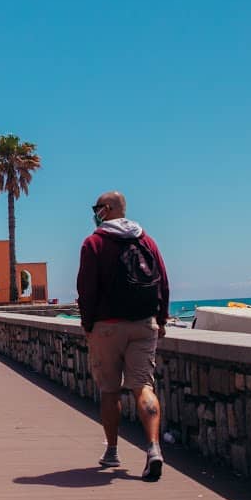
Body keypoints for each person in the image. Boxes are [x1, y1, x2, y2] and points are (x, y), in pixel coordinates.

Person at [76, 191, 170, 481]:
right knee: (143, 387)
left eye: (97, 208)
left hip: (107, 326)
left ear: (106, 209)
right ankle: (153, 447)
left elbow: (86, 289)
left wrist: (88, 323)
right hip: (144, 324)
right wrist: (162, 319)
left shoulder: (94, 243)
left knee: (110, 390)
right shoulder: (147, 241)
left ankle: (113, 450)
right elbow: (163, 283)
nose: (95, 213)